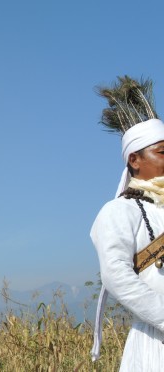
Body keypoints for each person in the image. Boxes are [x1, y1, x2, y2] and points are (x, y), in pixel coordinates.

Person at [91, 76, 164, 370]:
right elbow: (115, 275)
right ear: (134, 159)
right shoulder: (119, 212)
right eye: (162, 153)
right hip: (154, 343)